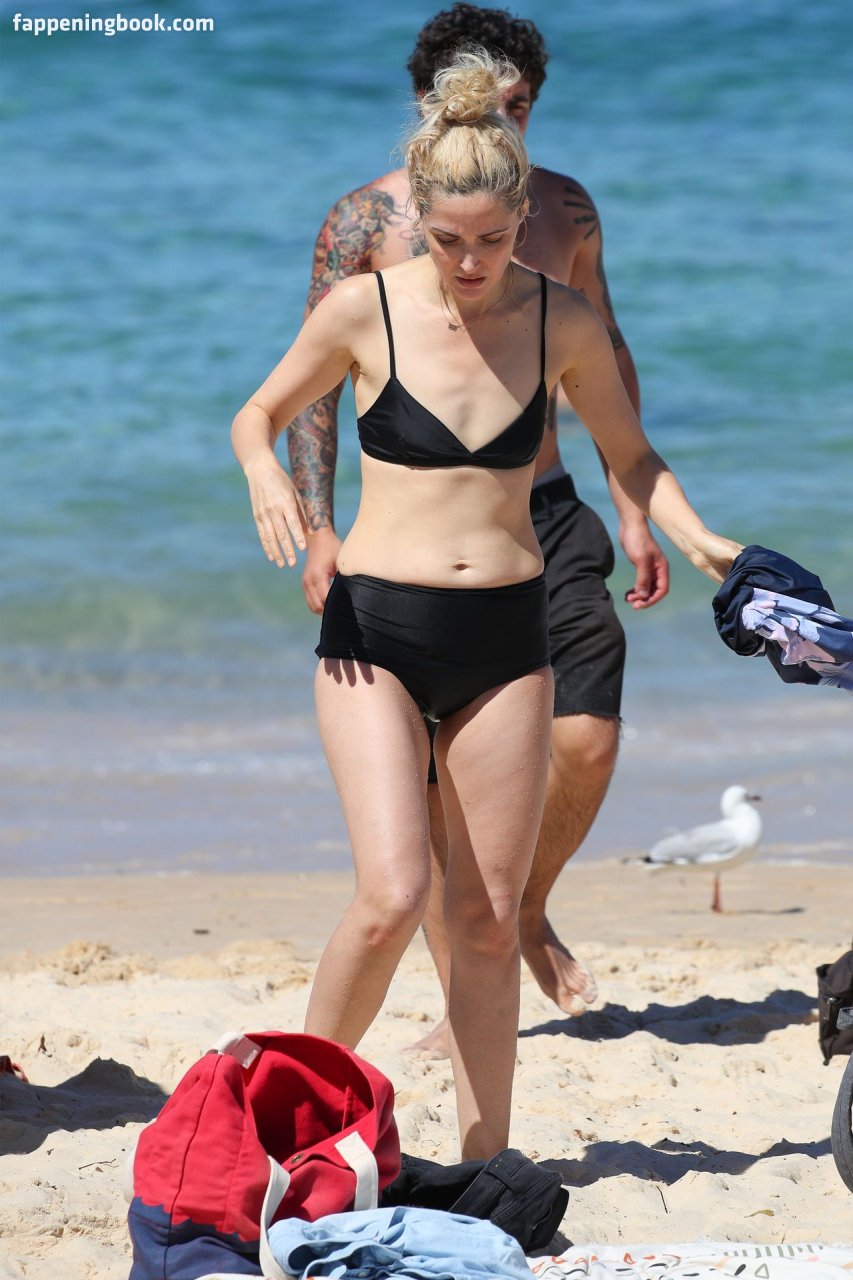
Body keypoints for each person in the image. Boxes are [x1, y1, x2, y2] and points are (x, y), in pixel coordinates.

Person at [232, 49, 740, 1158]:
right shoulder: (364, 309)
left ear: (522, 218)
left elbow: (631, 456)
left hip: (507, 639)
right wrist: (269, 475)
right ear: (416, 213)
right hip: (373, 634)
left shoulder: (562, 321)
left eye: (492, 241)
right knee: (390, 896)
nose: (469, 263)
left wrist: (705, 541)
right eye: (447, 239)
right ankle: (278, 1129)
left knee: (485, 916)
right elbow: (257, 412)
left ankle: (484, 1163)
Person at [286, 3, 670, 1053]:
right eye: (483, 102)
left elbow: (606, 350)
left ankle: (524, 907)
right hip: (412, 544)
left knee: (585, 737)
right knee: (424, 809)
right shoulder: (364, 223)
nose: (502, 119)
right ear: (430, 106)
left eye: (520, 104)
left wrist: (633, 504)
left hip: (544, 512)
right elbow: (313, 388)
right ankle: (467, 997)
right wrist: (317, 523)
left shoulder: (566, 210)